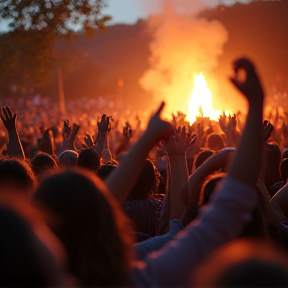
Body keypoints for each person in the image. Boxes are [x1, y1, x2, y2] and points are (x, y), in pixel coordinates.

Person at [32, 57, 266, 287]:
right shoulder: (141, 278)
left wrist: (144, 143)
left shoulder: (15, 268)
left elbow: (93, 215)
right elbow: (230, 207)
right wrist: (255, 105)